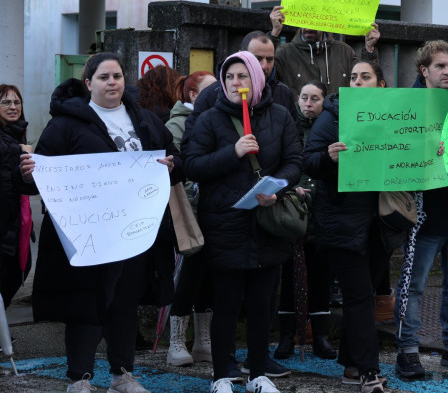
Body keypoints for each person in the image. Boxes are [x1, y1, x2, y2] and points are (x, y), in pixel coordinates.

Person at [18, 52, 179, 393]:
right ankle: (80, 378)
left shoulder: (146, 120)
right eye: (104, 77)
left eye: (117, 76)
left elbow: (175, 156)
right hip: (88, 233)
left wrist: (170, 164)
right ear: (88, 83)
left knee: (125, 302)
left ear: (125, 81)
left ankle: (123, 375)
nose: (112, 83)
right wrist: (30, 174)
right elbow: (39, 176)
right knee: (86, 303)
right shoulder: (65, 124)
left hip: (135, 231)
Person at [182, 51, 303, 393]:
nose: (237, 83)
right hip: (225, 223)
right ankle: (222, 373)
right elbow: (192, 164)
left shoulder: (280, 116)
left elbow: (294, 160)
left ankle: (258, 373)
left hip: (267, 222)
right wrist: (232, 153)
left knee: (263, 305)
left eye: (243, 76)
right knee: (227, 304)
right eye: (230, 77)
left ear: (257, 79)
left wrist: (277, 189)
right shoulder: (209, 119)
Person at [394, 41, 448, 376]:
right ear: (424, 70)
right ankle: (408, 349)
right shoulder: (408, 105)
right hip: (425, 211)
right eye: (441, 66)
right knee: (413, 283)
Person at [303, 62, 392, 393]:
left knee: (365, 294)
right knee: (358, 296)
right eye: (353, 77)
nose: (356, 81)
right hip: (341, 222)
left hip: (380, 222)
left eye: (364, 77)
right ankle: (369, 372)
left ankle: (352, 367)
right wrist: (329, 158)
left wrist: (431, 152)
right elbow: (308, 159)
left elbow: (410, 155)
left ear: (381, 86)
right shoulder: (333, 114)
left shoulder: (394, 115)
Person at [273, 81, 337, 362]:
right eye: (304, 97)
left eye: (315, 98)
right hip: (291, 212)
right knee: (288, 277)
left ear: (324, 102)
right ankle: (287, 336)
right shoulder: (288, 127)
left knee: (320, 276)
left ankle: (320, 337)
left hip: (321, 212)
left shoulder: (329, 128)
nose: (308, 103)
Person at [164, 70, 217, 368]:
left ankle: (203, 339)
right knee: (189, 271)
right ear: (194, 95)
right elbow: (179, 168)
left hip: (214, 208)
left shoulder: (218, 118)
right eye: (211, 90)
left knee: (208, 272)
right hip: (187, 209)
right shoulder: (177, 124)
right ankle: (176, 340)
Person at [271, 9, 381, 97]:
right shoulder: (285, 53)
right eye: (303, 18)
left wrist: (369, 49)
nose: (308, 25)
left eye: (314, 19)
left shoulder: (344, 51)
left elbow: (366, 83)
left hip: (339, 122)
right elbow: (262, 78)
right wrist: (273, 35)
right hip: (300, 124)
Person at [0, 84, 32, 308]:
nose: (13, 107)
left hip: (15, 222)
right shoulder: (8, 142)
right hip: (5, 222)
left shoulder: (16, 135)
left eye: (16, 102)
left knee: (19, 269)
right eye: (6, 102)